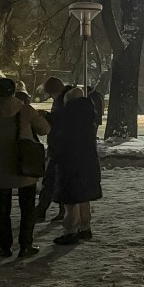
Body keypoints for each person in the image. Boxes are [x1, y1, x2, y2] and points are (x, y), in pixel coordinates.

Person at [0, 78, 51, 258]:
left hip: (1, 166)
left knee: (2, 210)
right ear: (13, 92)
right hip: (24, 165)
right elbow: (44, 130)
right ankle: (26, 245)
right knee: (27, 208)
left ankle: (5, 246)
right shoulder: (26, 110)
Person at [51, 87, 103, 245]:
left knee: (71, 199)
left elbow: (61, 140)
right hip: (88, 161)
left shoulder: (68, 116)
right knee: (84, 197)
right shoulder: (89, 113)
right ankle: (85, 228)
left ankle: (70, 231)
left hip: (71, 162)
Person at [35, 76, 75, 222]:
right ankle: (59, 210)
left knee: (51, 180)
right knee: (57, 180)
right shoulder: (65, 100)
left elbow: (61, 123)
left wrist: (47, 116)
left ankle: (42, 210)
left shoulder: (63, 101)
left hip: (60, 147)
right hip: (62, 147)